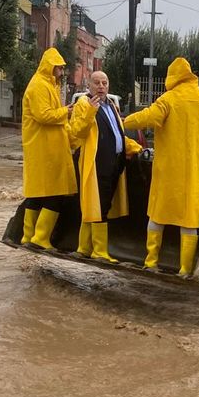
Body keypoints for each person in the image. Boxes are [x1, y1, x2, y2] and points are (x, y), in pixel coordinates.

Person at [123, 58, 199, 277]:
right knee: (189, 222)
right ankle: (185, 270)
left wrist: (122, 121)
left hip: (168, 171)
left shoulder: (169, 99)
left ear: (172, 77)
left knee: (157, 216)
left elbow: (148, 117)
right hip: (194, 174)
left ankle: (151, 262)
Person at [69, 71, 142, 263]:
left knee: (98, 205)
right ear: (89, 86)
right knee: (99, 205)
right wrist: (90, 112)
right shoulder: (84, 104)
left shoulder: (110, 105)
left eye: (104, 83)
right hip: (97, 162)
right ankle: (99, 251)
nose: (101, 86)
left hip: (114, 162)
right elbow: (77, 131)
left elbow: (117, 133)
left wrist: (134, 147)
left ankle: (83, 247)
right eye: (97, 83)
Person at [20, 48, 77, 250]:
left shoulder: (47, 85)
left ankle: (28, 237)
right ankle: (40, 237)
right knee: (55, 193)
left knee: (37, 193)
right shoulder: (39, 86)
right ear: (50, 67)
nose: (61, 73)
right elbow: (43, 115)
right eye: (59, 69)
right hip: (45, 149)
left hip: (46, 148)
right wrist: (67, 112)